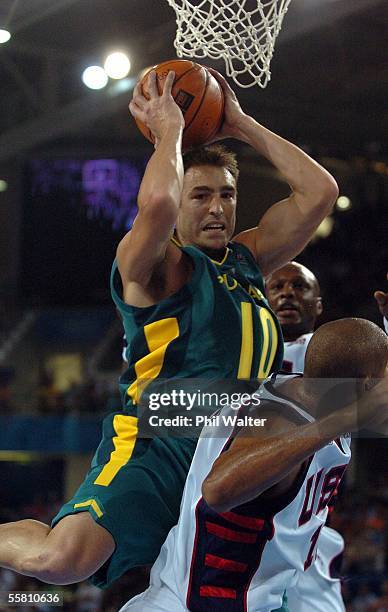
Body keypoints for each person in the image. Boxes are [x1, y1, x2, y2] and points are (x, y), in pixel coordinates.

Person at [0, 68, 338, 587]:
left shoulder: (247, 259)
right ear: (179, 202)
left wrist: (241, 123)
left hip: (230, 453)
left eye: (226, 195)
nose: (217, 208)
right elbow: (155, 203)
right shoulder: (153, 265)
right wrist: (170, 132)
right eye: (200, 195)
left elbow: (319, 191)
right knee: (63, 560)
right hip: (158, 443)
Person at [120, 318, 388, 611]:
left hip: (259, 594)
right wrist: (344, 420)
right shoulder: (277, 422)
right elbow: (217, 490)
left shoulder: (317, 388)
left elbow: (357, 353)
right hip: (203, 602)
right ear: (368, 385)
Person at [266, 263, 388, 611]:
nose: (287, 292)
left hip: (306, 540)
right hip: (241, 525)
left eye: (299, 286)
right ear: (262, 299)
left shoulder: (338, 356)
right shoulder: (236, 355)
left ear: (318, 305)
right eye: (277, 286)